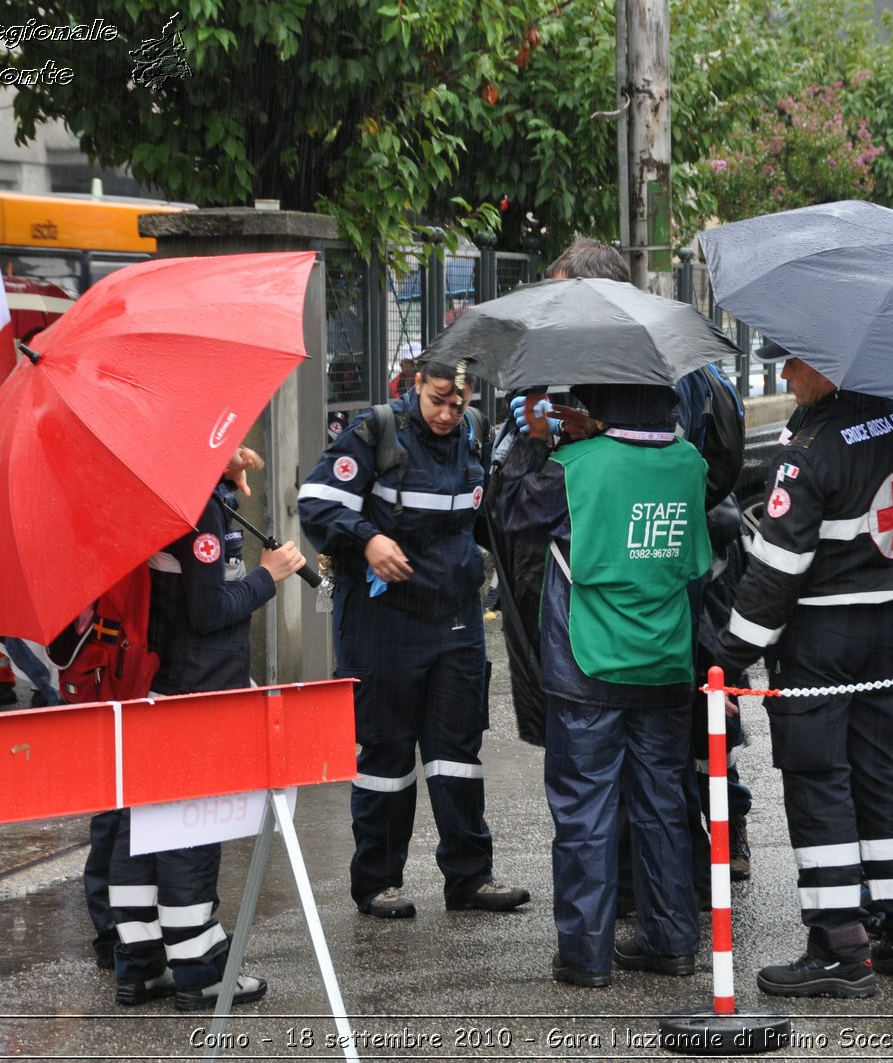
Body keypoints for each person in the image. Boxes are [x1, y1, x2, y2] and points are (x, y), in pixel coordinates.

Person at [714, 342, 893, 999]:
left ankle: (840, 945)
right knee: (884, 775)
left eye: (790, 362)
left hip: (821, 637)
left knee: (820, 781)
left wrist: (728, 660)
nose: (784, 375)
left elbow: (776, 573)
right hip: (891, 631)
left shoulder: (812, 448)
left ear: (825, 364)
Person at [495, 382, 710, 987]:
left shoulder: (575, 466)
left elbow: (509, 513)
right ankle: (672, 941)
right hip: (667, 661)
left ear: (599, 410)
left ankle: (586, 955)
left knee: (585, 810)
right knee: (663, 804)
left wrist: (533, 441)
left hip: (589, 664)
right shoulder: (688, 461)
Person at [297, 358, 529, 921]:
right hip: (383, 623)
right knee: (386, 753)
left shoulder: (472, 433)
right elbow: (316, 503)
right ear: (415, 385)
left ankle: (470, 877)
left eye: (460, 401)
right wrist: (368, 538)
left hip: (453, 618)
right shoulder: (373, 433)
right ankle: (378, 882)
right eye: (439, 399)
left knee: (457, 753)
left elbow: (484, 519)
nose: (450, 412)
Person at [108, 446, 306, 1011]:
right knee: (187, 835)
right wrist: (269, 576)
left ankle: (140, 965)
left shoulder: (161, 495)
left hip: (159, 686)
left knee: (142, 830)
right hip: (199, 695)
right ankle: (200, 971)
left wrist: (216, 471)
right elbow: (208, 609)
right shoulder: (200, 512)